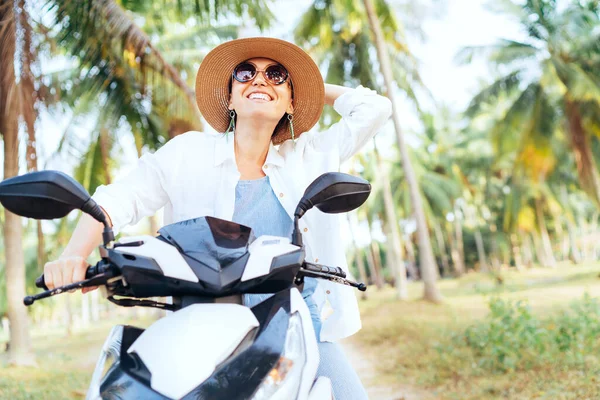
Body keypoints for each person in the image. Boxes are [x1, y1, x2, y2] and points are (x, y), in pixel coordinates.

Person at [43, 37, 392, 399]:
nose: (259, 80)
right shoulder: (187, 153)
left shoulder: (309, 155)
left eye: (276, 75)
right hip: (199, 329)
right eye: (245, 73)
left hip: (295, 327)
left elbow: (375, 109)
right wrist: (72, 256)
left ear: (291, 101)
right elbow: (116, 200)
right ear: (229, 97)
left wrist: (309, 89)